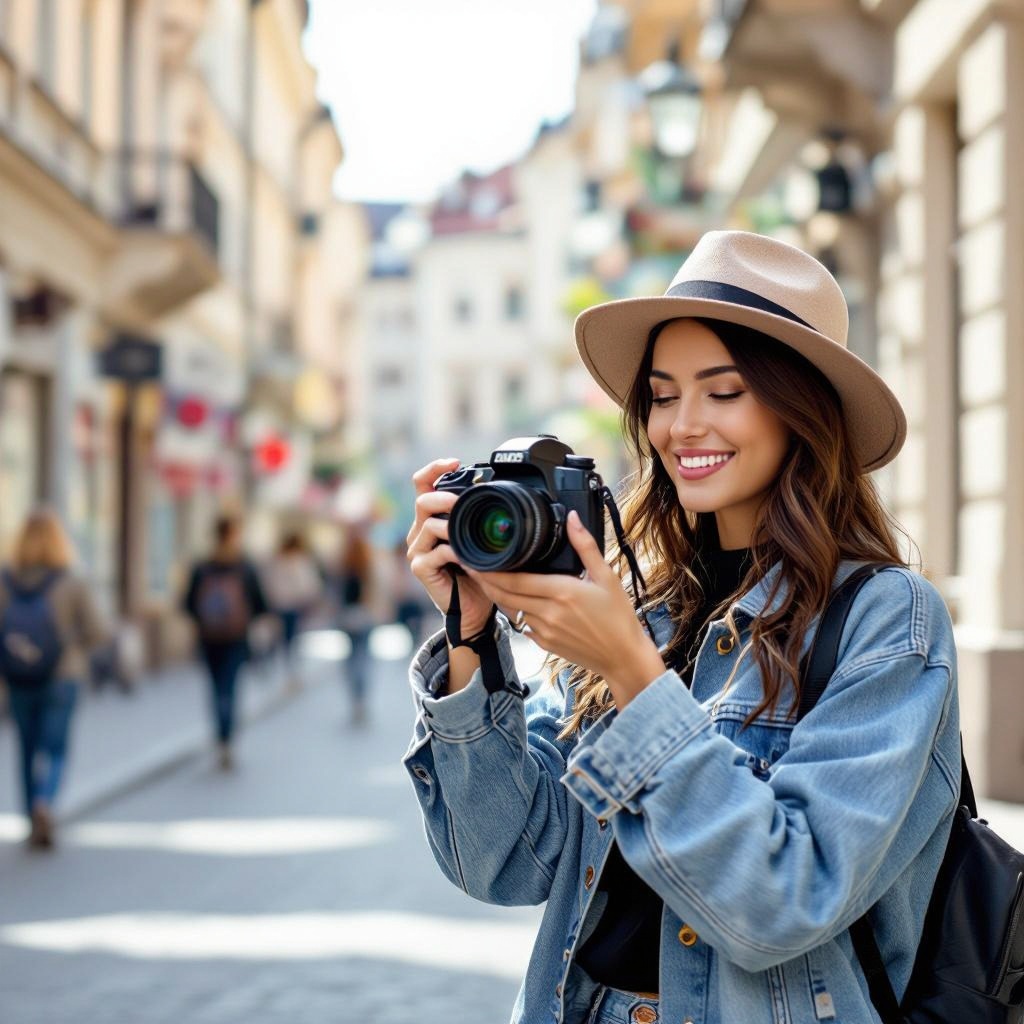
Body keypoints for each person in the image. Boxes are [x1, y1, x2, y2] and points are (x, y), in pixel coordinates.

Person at [402, 231, 960, 1024]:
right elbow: (507, 864)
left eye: (723, 392)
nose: (682, 426)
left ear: (802, 410)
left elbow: (785, 901)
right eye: (663, 396)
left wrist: (635, 677)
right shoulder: (643, 603)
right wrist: (469, 643)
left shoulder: (886, 619)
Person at [0, 508, 106, 848]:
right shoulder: (71, 581)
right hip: (63, 674)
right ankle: (46, 800)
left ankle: (32, 816)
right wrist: (71, 644)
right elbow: (98, 631)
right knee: (56, 747)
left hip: (19, 676)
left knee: (26, 748)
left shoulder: (5, 581)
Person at [184, 515, 267, 769]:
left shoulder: (203, 566)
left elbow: (188, 603)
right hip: (236, 638)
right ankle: (227, 739)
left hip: (209, 638)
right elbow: (260, 603)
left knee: (215, 687)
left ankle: (220, 736)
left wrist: (206, 620)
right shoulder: (244, 566)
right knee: (230, 688)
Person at [261, 531, 323, 684]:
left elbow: (267, 584)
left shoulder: (275, 561)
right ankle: (288, 671)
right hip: (293, 605)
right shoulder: (299, 561)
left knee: (280, 638)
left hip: (279, 605)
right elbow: (309, 585)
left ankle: (278, 669)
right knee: (290, 639)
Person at [334, 526, 375, 726]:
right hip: (365, 617)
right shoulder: (368, 568)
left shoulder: (343, 568)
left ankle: (355, 696)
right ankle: (360, 697)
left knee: (352, 658)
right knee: (363, 657)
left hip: (349, 618)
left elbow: (338, 596)